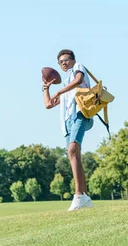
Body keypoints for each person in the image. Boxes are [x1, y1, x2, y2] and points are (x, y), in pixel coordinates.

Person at [43, 49, 94, 211]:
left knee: (72, 150)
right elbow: (48, 104)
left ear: (72, 60)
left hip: (80, 114)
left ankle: (79, 195)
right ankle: (85, 196)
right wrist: (46, 88)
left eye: (66, 60)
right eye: (60, 62)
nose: (63, 63)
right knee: (74, 154)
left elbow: (79, 80)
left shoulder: (79, 68)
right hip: (67, 122)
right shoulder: (65, 83)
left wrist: (58, 91)